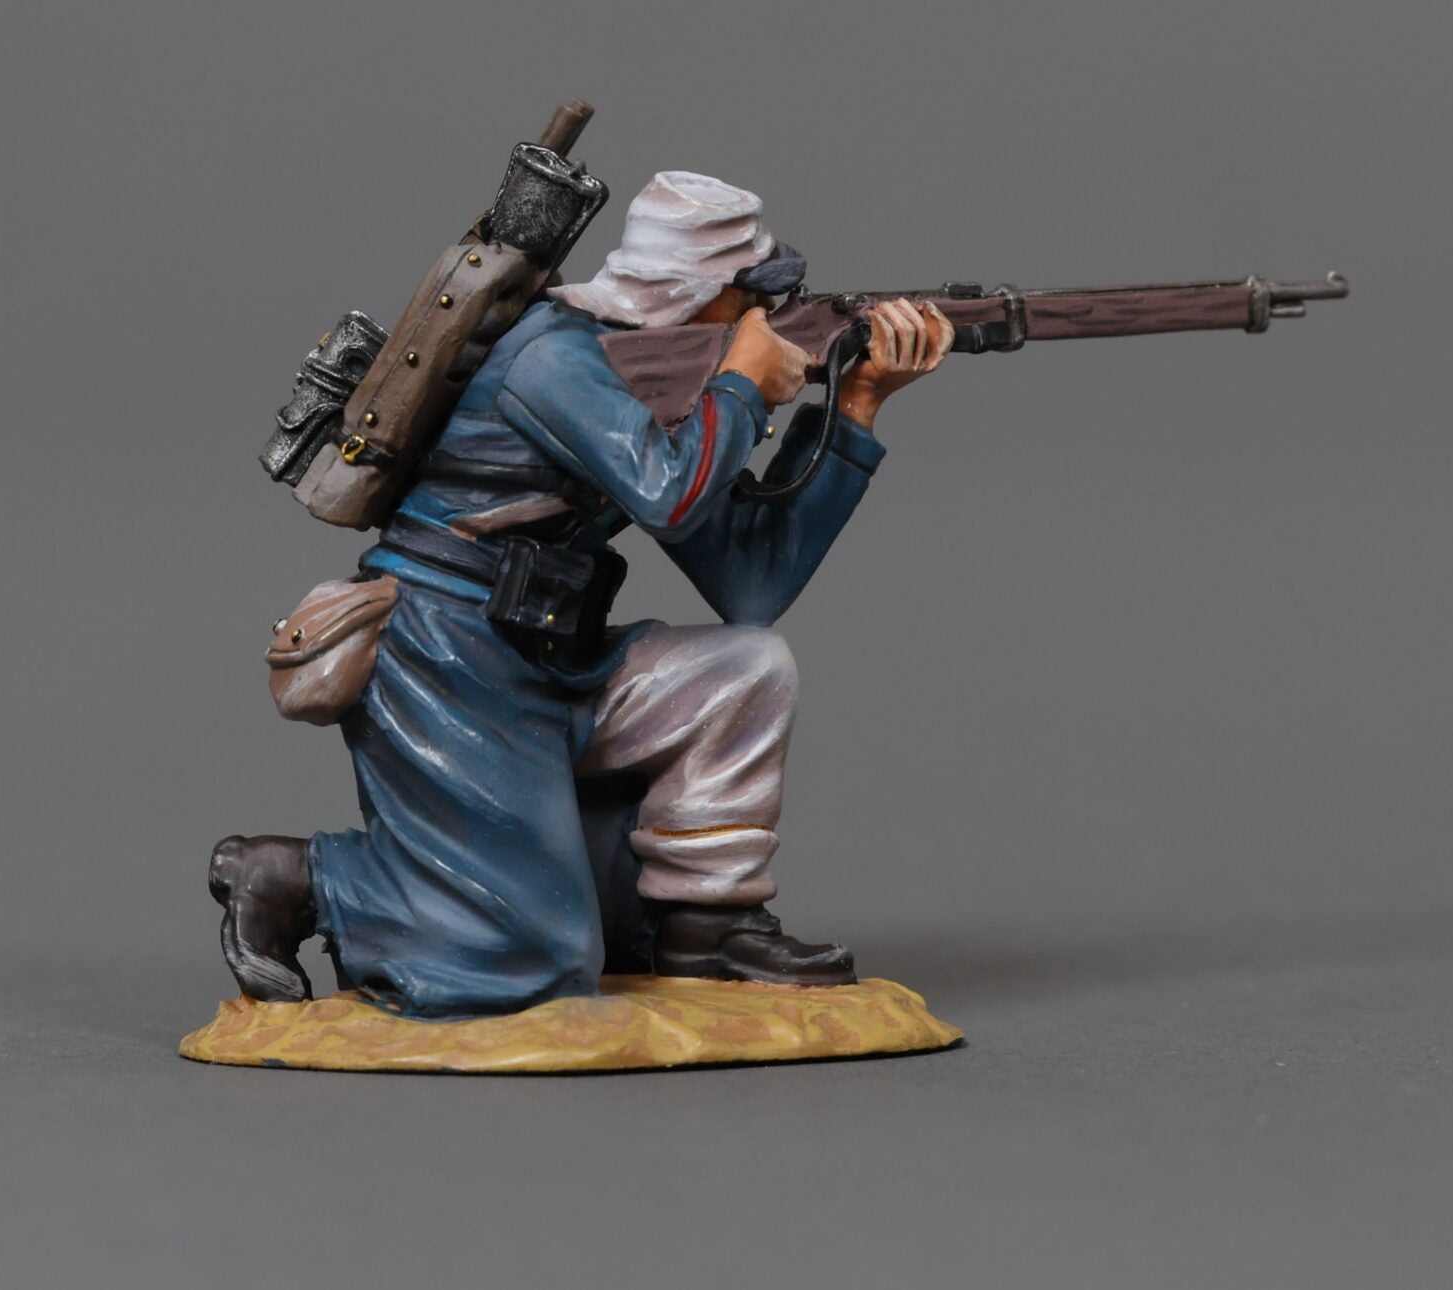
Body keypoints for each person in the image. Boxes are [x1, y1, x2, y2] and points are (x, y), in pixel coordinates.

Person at [210, 171, 951, 1019]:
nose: (765, 315)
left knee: (745, 669)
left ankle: (710, 924)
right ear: (700, 293)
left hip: (554, 650)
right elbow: (668, 494)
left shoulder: (666, 386)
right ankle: (300, 878)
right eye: (752, 295)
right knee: (533, 961)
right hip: (447, 658)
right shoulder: (555, 359)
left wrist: (853, 411)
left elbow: (752, 583)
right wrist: (743, 386)